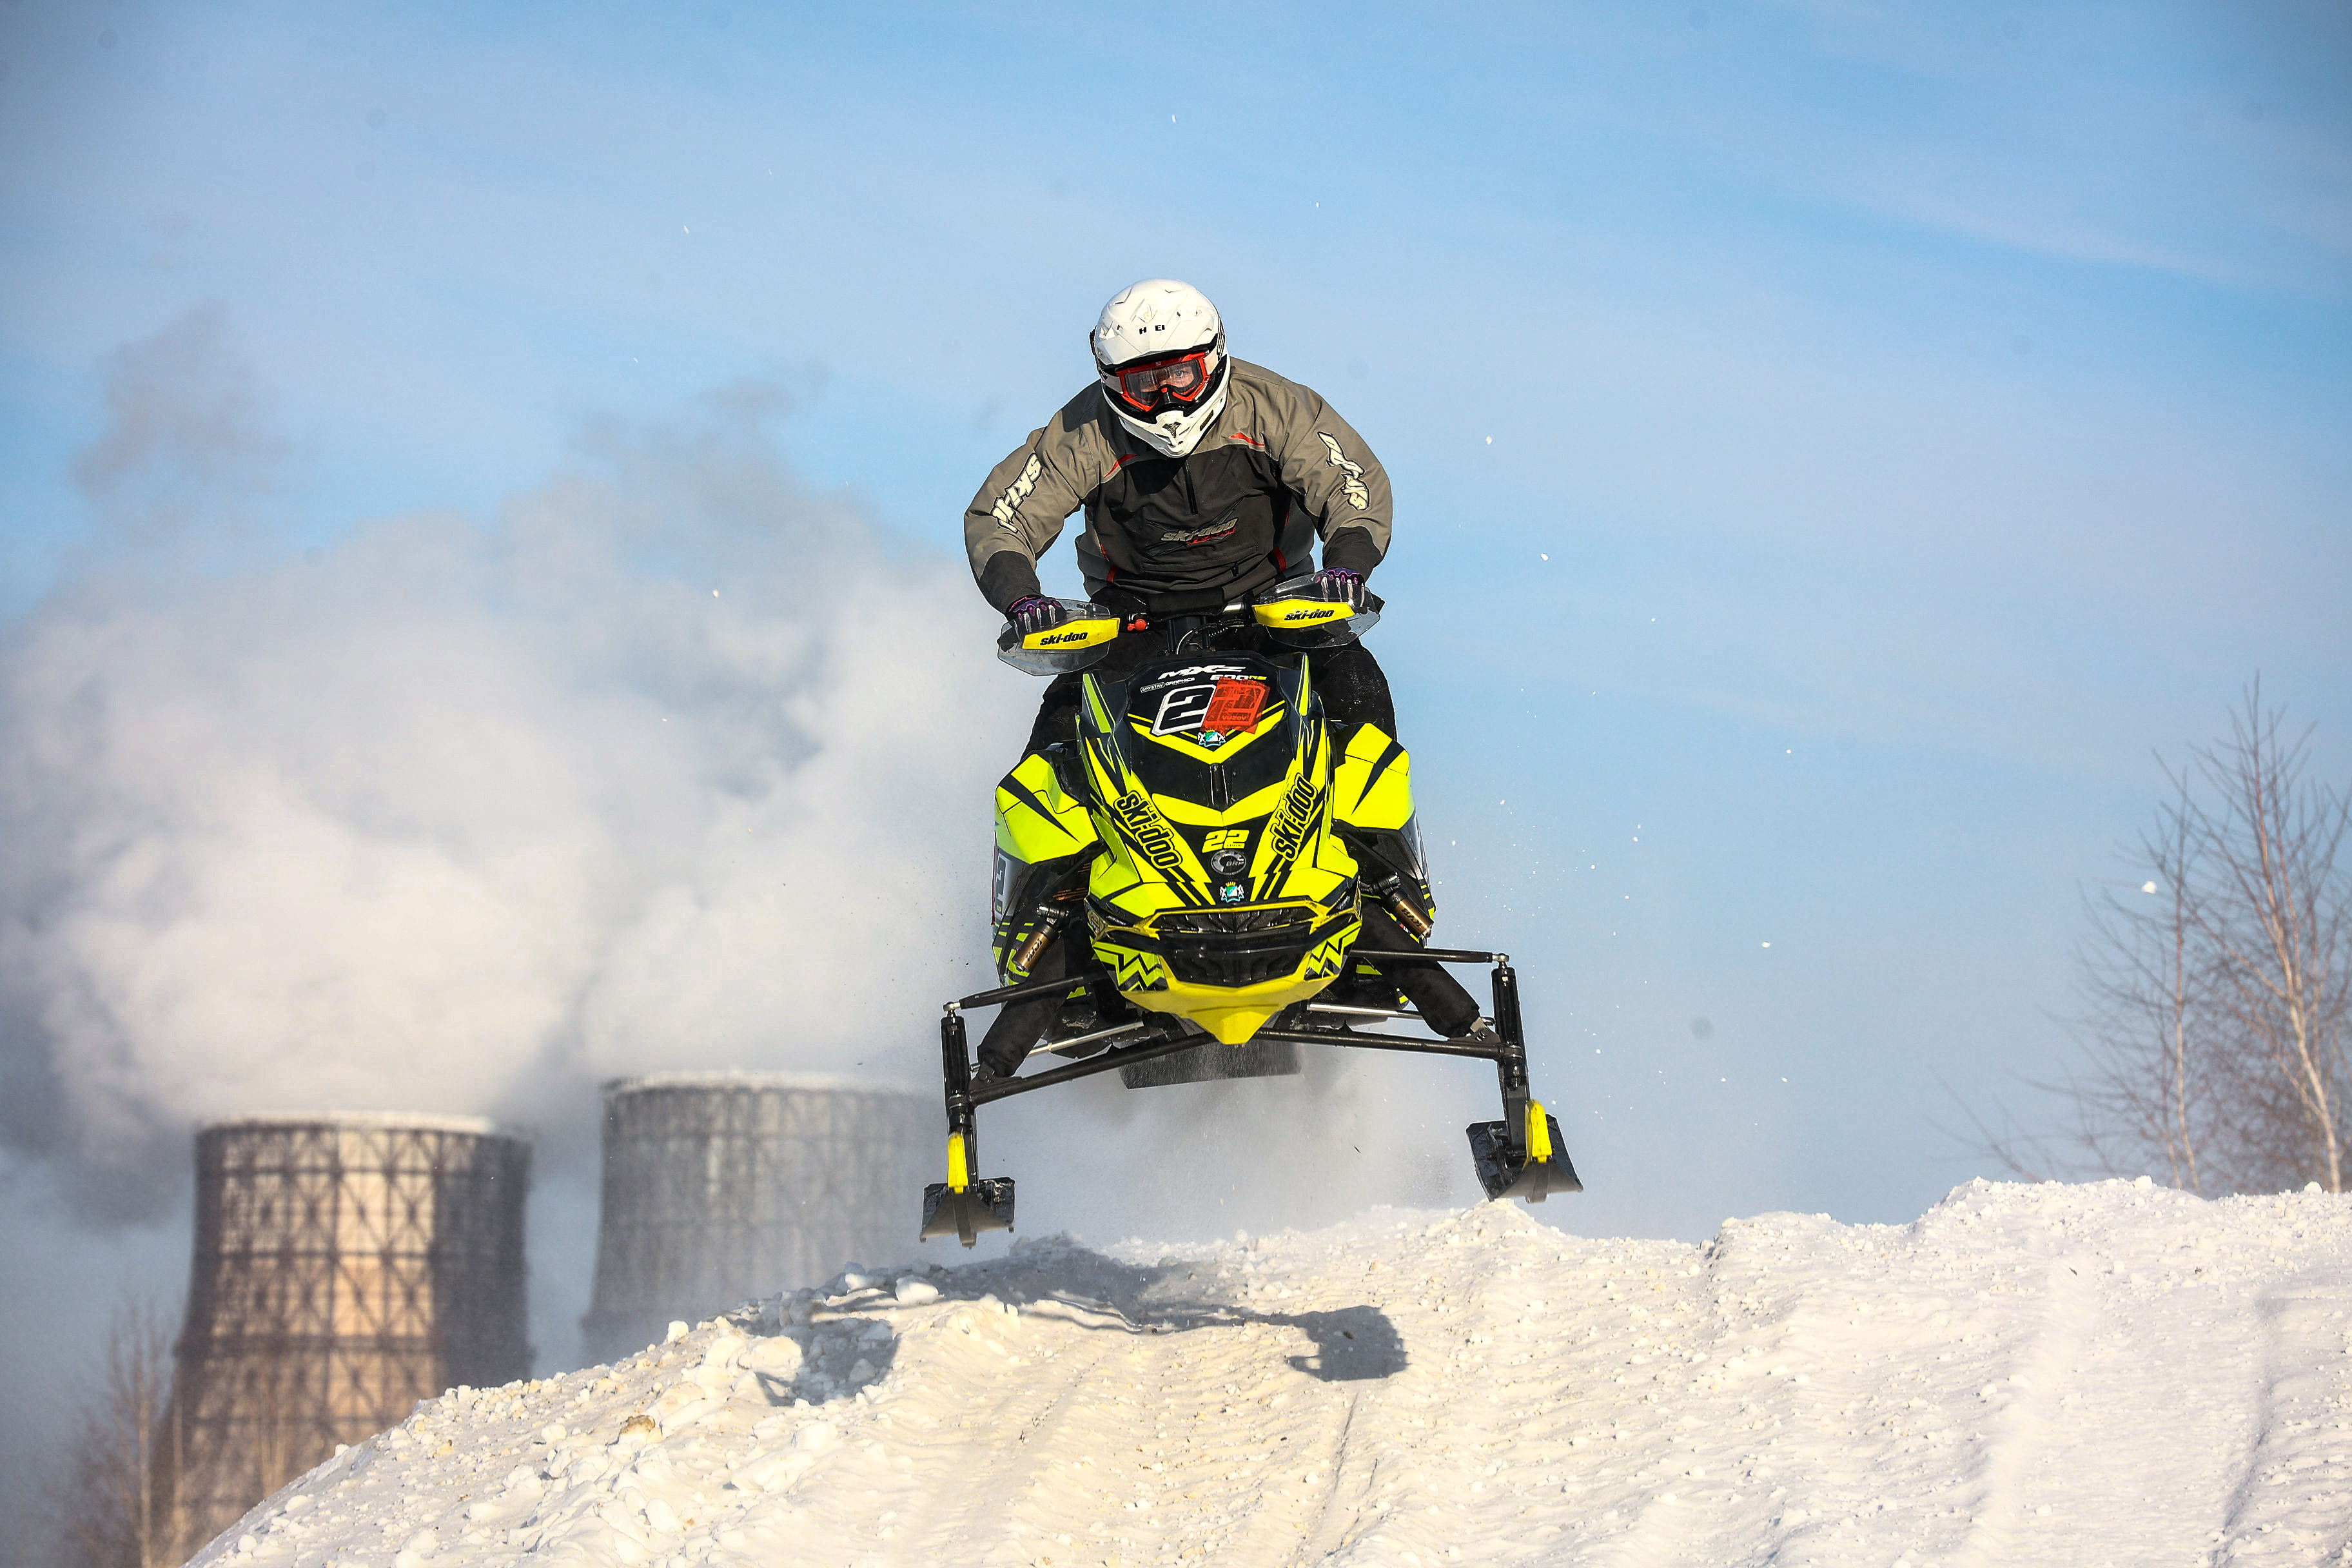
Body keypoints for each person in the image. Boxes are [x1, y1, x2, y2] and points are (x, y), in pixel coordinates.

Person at [965, 279, 1400, 756]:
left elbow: (1349, 483)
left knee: (1359, 687)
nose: (1166, 399)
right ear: (1112, 381)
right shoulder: (1080, 433)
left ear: (1212, 360)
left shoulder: (1276, 406)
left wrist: (1347, 566)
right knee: (1059, 733)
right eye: (1144, 384)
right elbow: (1002, 516)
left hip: (1275, 612)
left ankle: (1369, 829)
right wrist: (1022, 599)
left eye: (1181, 375)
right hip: (1131, 626)